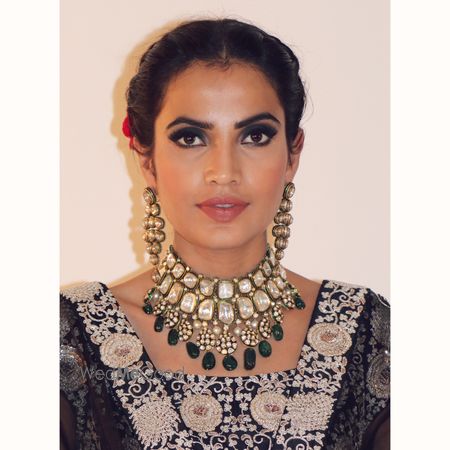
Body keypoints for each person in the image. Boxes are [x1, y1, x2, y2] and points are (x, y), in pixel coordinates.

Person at [60, 18, 390, 450]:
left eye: (255, 136)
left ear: (292, 155)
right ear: (146, 159)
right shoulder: (72, 338)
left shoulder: (365, 333)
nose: (223, 172)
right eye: (190, 138)